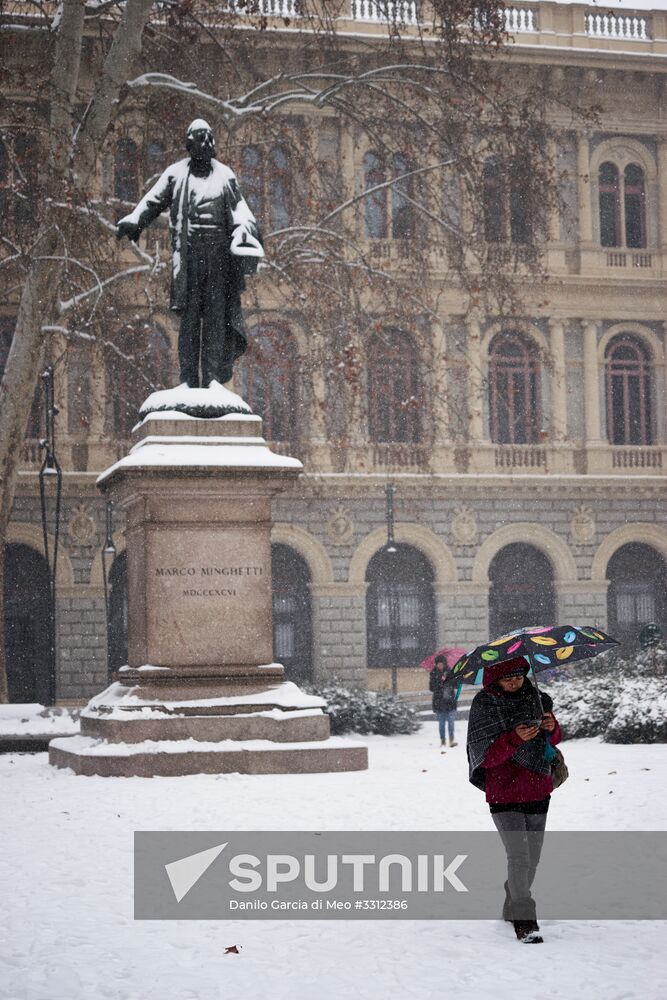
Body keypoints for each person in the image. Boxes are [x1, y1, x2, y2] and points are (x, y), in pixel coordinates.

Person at [116, 119, 263, 388]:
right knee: (190, 322)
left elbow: (242, 213)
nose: (207, 144)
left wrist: (245, 231)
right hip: (190, 261)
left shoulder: (225, 177)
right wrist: (136, 220)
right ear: (189, 145)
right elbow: (153, 200)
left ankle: (212, 380)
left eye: (210, 139)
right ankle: (188, 381)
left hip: (219, 261)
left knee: (217, 322)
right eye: (200, 139)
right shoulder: (175, 174)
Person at [466, 655, 562, 944]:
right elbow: (485, 756)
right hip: (504, 791)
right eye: (508, 677)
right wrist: (514, 739)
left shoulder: (538, 698)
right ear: (495, 677)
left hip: (537, 787)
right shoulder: (485, 705)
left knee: (533, 858)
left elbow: (554, 740)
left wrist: (550, 727)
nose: (515, 681)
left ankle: (513, 898)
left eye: (519, 675)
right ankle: (524, 919)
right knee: (518, 856)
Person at [429, 654, 460, 749]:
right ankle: (443, 741)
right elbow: (431, 688)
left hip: (450, 702)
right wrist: (440, 680)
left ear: (445, 664)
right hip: (439, 703)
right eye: (438, 664)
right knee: (441, 724)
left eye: (441, 664)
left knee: (451, 723)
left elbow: (455, 685)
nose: (440, 666)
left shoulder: (450, 672)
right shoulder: (433, 673)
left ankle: (451, 740)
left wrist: (448, 679)